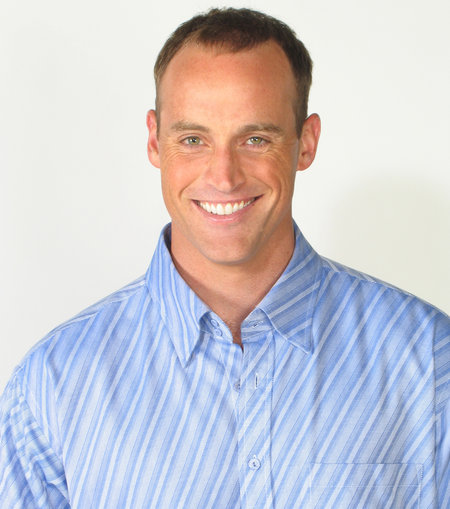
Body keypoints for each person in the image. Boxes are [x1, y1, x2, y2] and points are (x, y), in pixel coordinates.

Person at [0, 7, 448, 508]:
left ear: (306, 143)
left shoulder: (429, 360)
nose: (224, 176)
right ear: (154, 140)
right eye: (193, 139)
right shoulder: (52, 384)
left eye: (255, 139)